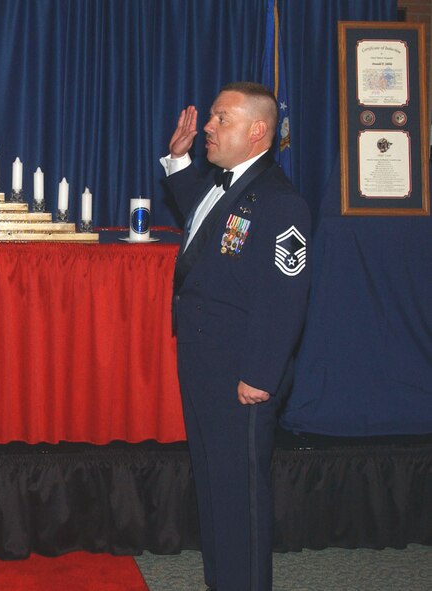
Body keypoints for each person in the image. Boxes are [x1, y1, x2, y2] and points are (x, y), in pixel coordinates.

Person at [160, 82, 310, 591]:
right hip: (205, 361)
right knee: (213, 483)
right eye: (212, 117)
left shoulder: (280, 202)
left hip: (242, 372)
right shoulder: (228, 185)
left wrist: (261, 374)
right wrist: (179, 161)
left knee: (240, 494)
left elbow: (285, 296)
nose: (208, 126)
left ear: (257, 131)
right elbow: (207, 228)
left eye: (222, 119)